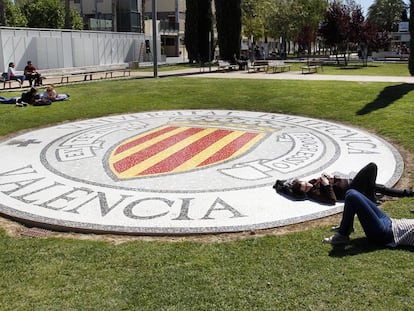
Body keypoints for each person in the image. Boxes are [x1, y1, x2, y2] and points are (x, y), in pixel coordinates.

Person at [274, 162, 413, 204]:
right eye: (306, 187)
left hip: (351, 183)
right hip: (352, 189)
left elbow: (329, 181)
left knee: (379, 187)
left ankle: (409, 193)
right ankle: (370, 197)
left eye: (305, 183)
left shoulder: (312, 183)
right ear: (304, 192)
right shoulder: (314, 195)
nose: (308, 185)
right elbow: (332, 200)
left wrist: (330, 177)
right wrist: (327, 185)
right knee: (372, 167)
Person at [323, 189, 414, 247]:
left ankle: (342, 235)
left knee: (352, 196)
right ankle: (346, 228)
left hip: (386, 234)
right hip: (390, 221)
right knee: (350, 192)